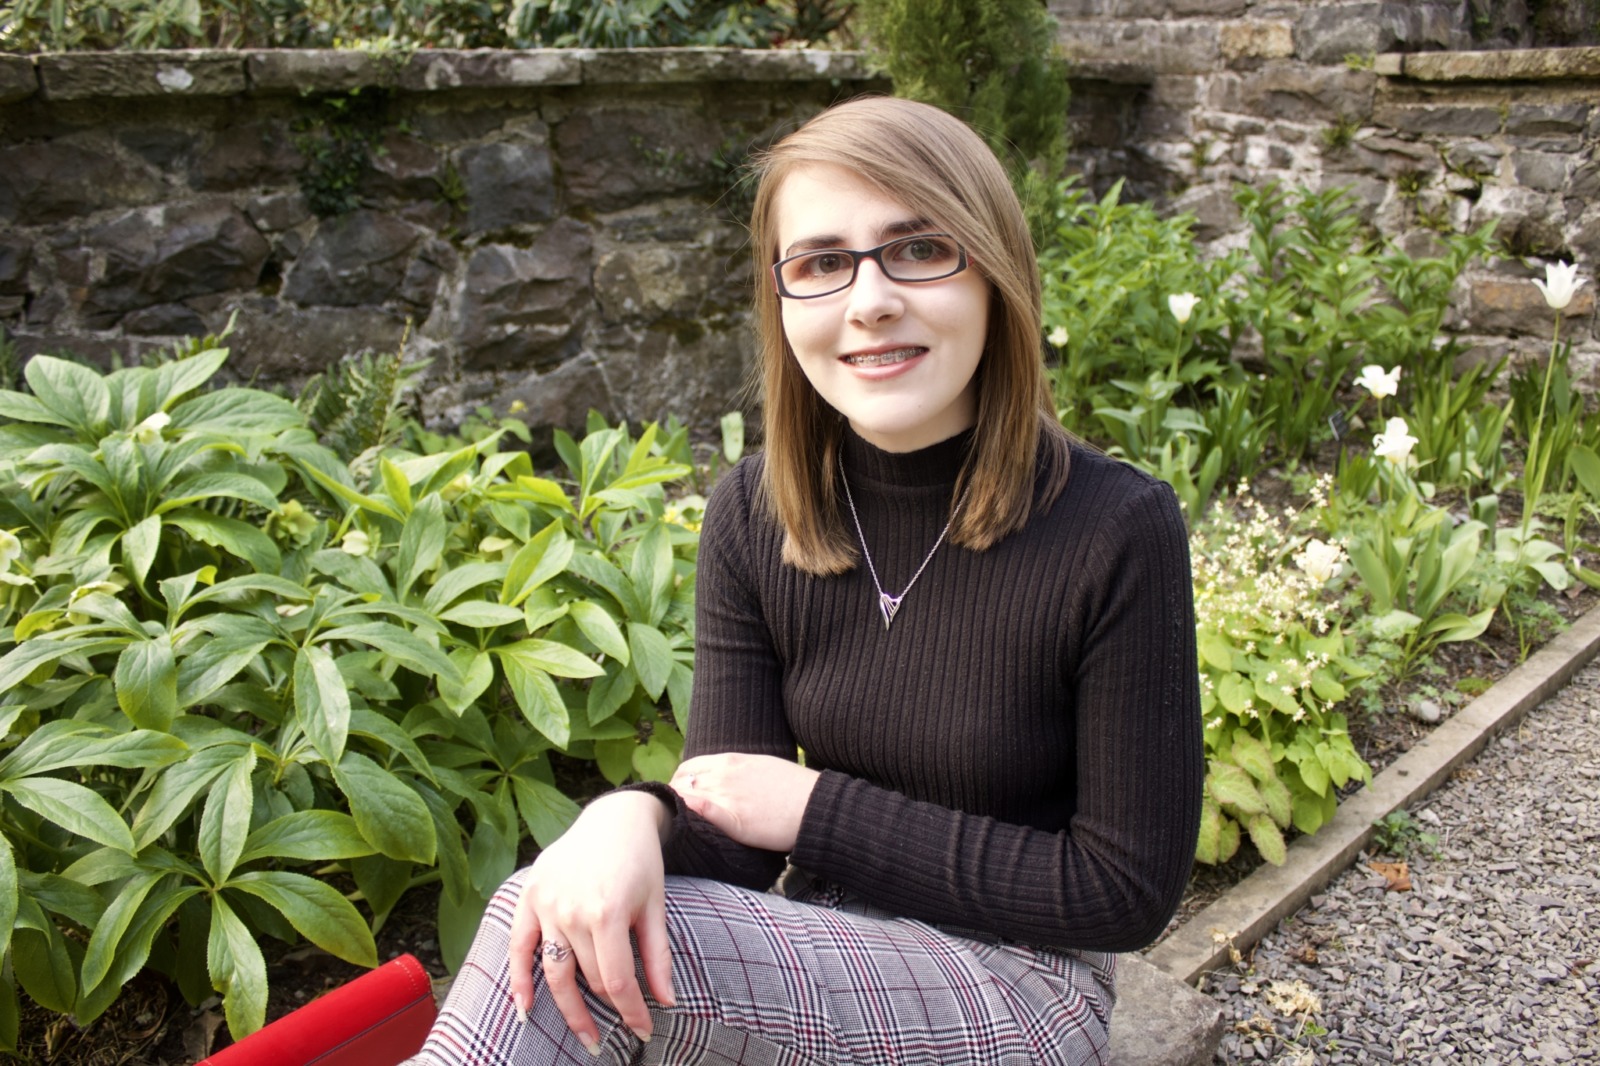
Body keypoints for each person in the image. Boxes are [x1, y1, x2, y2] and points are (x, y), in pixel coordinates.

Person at [407, 95, 1202, 1066]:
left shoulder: (1115, 527)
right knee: (554, 898)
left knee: (593, 953)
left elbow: (1121, 890)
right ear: (782, 301)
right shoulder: (754, 513)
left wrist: (816, 810)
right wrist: (625, 817)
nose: (868, 299)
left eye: (917, 248)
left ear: (994, 271)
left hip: (1022, 983)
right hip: (813, 951)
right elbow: (731, 837)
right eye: (822, 262)